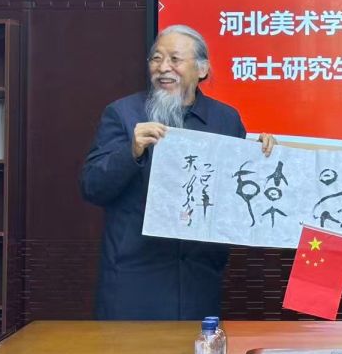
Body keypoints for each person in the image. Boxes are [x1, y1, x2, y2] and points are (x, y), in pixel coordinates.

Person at [81, 24, 276, 320]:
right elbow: (92, 186)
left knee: (195, 351)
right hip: (134, 279)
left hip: (199, 279)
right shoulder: (123, 114)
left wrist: (262, 159)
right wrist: (131, 152)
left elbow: (237, 198)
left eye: (175, 59)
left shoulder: (225, 119)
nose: (163, 68)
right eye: (156, 58)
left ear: (202, 69)